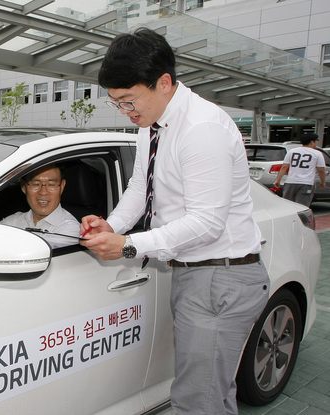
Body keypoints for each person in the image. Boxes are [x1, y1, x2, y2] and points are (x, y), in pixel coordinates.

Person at [78, 28, 270, 415]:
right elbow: (139, 187)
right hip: (196, 273)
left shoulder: (202, 130)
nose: (127, 112)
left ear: (163, 83)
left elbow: (206, 223)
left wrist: (130, 246)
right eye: (117, 104)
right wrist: (112, 226)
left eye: (129, 100)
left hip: (220, 277)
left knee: (199, 402)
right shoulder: (153, 122)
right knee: (203, 393)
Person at [0, 164, 79, 248]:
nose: (43, 192)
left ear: (62, 186)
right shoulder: (14, 221)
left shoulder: (71, 230)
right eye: (36, 184)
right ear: (23, 186)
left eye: (51, 184)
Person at [274, 133, 326, 206]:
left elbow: (284, 167)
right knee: (302, 206)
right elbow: (321, 170)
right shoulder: (317, 153)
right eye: (317, 140)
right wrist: (322, 182)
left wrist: (278, 180)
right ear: (312, 142)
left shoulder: (292, 151)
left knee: (287, 204)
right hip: (306, 183)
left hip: (290, 182)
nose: (317, 142)